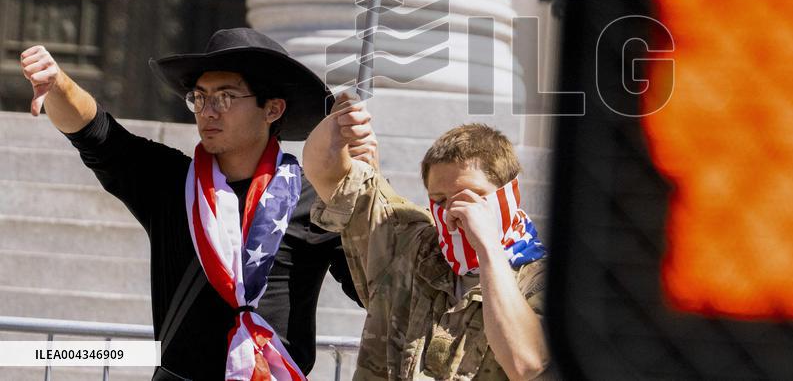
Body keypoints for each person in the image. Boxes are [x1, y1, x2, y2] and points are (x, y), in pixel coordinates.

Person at [20, 28, 377, 381]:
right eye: (200, 97)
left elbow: (374, 288)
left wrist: (369, 186)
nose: (207, 111)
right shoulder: (171, 182)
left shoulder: (316, 198)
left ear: (272, 109)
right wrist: (58, 83)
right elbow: (97, 135)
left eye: (224, 98)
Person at [304, 104, 553, 381]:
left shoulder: (542, 281)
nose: (454, 212)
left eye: (470, 196)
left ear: (508, 195)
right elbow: (329, 175)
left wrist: (488, 248)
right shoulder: (411, 245)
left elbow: (527, 364)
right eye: (440, 200)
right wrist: (341, 123)